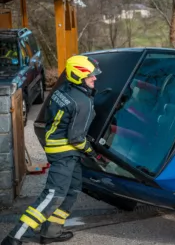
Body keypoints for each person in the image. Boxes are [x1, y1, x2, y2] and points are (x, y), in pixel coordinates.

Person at [1, 55, 102, 245]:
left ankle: (51, 231)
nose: (95, 78)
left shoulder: (63, 89)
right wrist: (91, 151)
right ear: (79, 76)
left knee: (72, 190)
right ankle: (15, 237)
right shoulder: (83, 103)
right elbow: (76, 138)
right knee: (53, 196)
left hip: (58, 149)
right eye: (91, 75)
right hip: (66, 153)